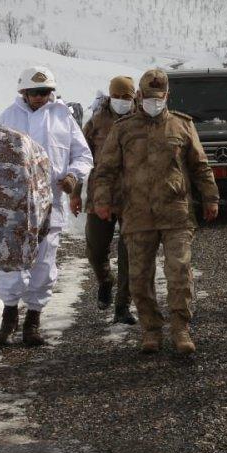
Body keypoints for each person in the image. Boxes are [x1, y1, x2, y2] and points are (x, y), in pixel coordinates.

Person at [92, 68, 219, 355]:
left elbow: (200, 165)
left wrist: (211, 198)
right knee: (139, 277)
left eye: (159, 97)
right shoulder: (123, 129)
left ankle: (180, 328)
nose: (153, 102)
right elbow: (106, 170)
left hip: (176, 213)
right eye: (148, 97)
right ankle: (151, 330)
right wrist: (101, 200)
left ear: (167, 96)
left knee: (179, 272)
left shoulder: (182, 125)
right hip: (137, 214)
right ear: (139, 96)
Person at [0, 66, 93, 346]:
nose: (39, 98)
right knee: (12, 262)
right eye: (34, 93)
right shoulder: (9, 116)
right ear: (23, 92)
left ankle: (33, 321)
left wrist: (73, 175)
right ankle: (9, 315)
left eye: (45, 92)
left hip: (51, 202)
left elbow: (83, 155)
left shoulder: (63, 118)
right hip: (16, 204)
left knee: (44, 264)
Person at [80, 75, 138, 325]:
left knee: (130, 255)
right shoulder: (96, 121)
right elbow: (81, 156)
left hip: (132, 198)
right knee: (95, 249)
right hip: (100, 195)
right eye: (118, 96)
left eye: (127, 97)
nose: (123, 101)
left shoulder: (141, 119)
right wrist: (75, 194)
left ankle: (123, 306)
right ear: (109, 96)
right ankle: (105, 281)